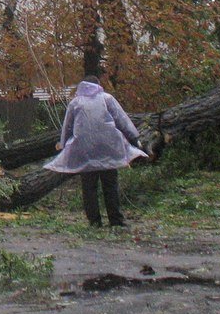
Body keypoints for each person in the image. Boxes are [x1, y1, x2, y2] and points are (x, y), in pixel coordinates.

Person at [43, 71, 146, 227]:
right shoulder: (107, 99)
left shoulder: (75, 102)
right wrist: (134, 138)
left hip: (85, 150)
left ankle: (94, 221)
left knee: (89, 187)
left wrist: (64, 144)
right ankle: (115, 219)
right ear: (98, 85)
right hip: (108, 148)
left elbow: (67, 126)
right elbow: (121, 119)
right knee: (110, 184)